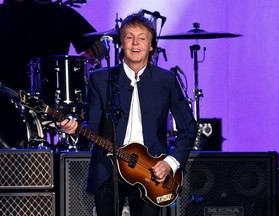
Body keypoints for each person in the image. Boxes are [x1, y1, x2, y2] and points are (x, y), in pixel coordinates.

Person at [60, 11, 198, 216]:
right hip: (108, 171)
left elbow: (189, 128)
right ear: (121, 44)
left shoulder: (165, 80)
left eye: (142, 38)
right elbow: (92, 124)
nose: (135, 44)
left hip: (151, 173)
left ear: (151, 46)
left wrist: (170, 163)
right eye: (129, 38)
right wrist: (75, 130)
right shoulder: (100, 79)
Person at [0, 0, 104, 148]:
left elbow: (99, 46)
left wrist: (78, 65)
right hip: (8, 97)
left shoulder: (60, 13)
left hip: (55, 98)